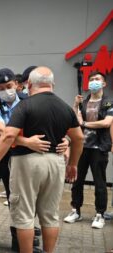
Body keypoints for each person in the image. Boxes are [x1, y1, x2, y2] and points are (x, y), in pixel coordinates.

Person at [0, 66, 84, 253]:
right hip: (55, 162)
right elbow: (79, 137)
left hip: (27, 162)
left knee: (24, 214)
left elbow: (8, 135)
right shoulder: (65, 107)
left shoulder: (25, 105)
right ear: (52, 85)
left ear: (29, 84)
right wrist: (73, 164)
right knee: (50, 215)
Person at [63, 71, 113, 229]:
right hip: (82, 147)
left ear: (104, 83)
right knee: (77, 180)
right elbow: (74, 120)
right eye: (91, 79)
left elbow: (106, 123)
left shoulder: (109, 102)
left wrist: (83, 124)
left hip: (99, 147)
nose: (94, 82)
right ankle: (75, 211)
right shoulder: (83, 102)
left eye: (97, 79)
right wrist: (75, 104)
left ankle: (100, 214)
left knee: (99, 182)